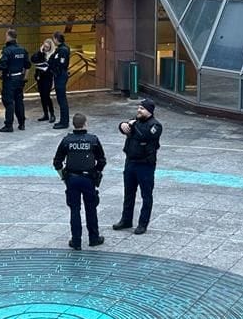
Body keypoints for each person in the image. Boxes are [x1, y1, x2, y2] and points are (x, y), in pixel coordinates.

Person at [53, 112, 107, 250]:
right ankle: (94, 238)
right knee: (91, 208)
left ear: (73, 124)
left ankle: (76, 241)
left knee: (74, 210)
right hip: (88, 178)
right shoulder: (93, 140)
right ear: (85, 123)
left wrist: (63, 177)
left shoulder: (67, 141)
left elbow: (57, 162)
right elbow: (102, 160)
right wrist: (96, 172)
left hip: (72, 178)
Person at [113, 98, 162, 235]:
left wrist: (132, 126)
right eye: (138, 108)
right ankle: (126, 219)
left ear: (149, 111)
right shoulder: (136, 121)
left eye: (142, 108)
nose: (138, 110)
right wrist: (122, 125)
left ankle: (142, 224)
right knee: (128, 193)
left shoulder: (155, 126)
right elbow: (125, 128)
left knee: (146, 195)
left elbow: (144, 136)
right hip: (130, 162)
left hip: (145, 165)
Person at [0, 28, 30, 132]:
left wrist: (0, 77)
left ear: (8, 36)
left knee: (9, 102)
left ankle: (8, 125)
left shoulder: (6, 50)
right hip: (19, 78)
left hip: (9, 79)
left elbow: (2, 66)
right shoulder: (22, 50)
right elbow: (27, 65)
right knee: (19, 101)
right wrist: (24, 77)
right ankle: (22, 123)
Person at [31, 38, 56, 123]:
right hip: (40, 77)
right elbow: (33, 59)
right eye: (44, 46)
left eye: (47, 47)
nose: (45, 48)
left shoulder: (53, 55)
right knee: (42, 96)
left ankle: (52, 114)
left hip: (48, 77)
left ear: (50, 47)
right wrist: (40, 51)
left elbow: (53, 66)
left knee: (46, 95)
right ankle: (45, 114)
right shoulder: (41, 53)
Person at [49, 32, 71, 129]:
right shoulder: (61, 49)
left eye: (54, 39)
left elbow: (61, 63)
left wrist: (54, 67)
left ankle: (64, 122)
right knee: (60, 99)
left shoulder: (63, 50)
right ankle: (63, 120)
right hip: (59, 74)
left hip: (60, 75)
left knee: (62, 99)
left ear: (56, 39)